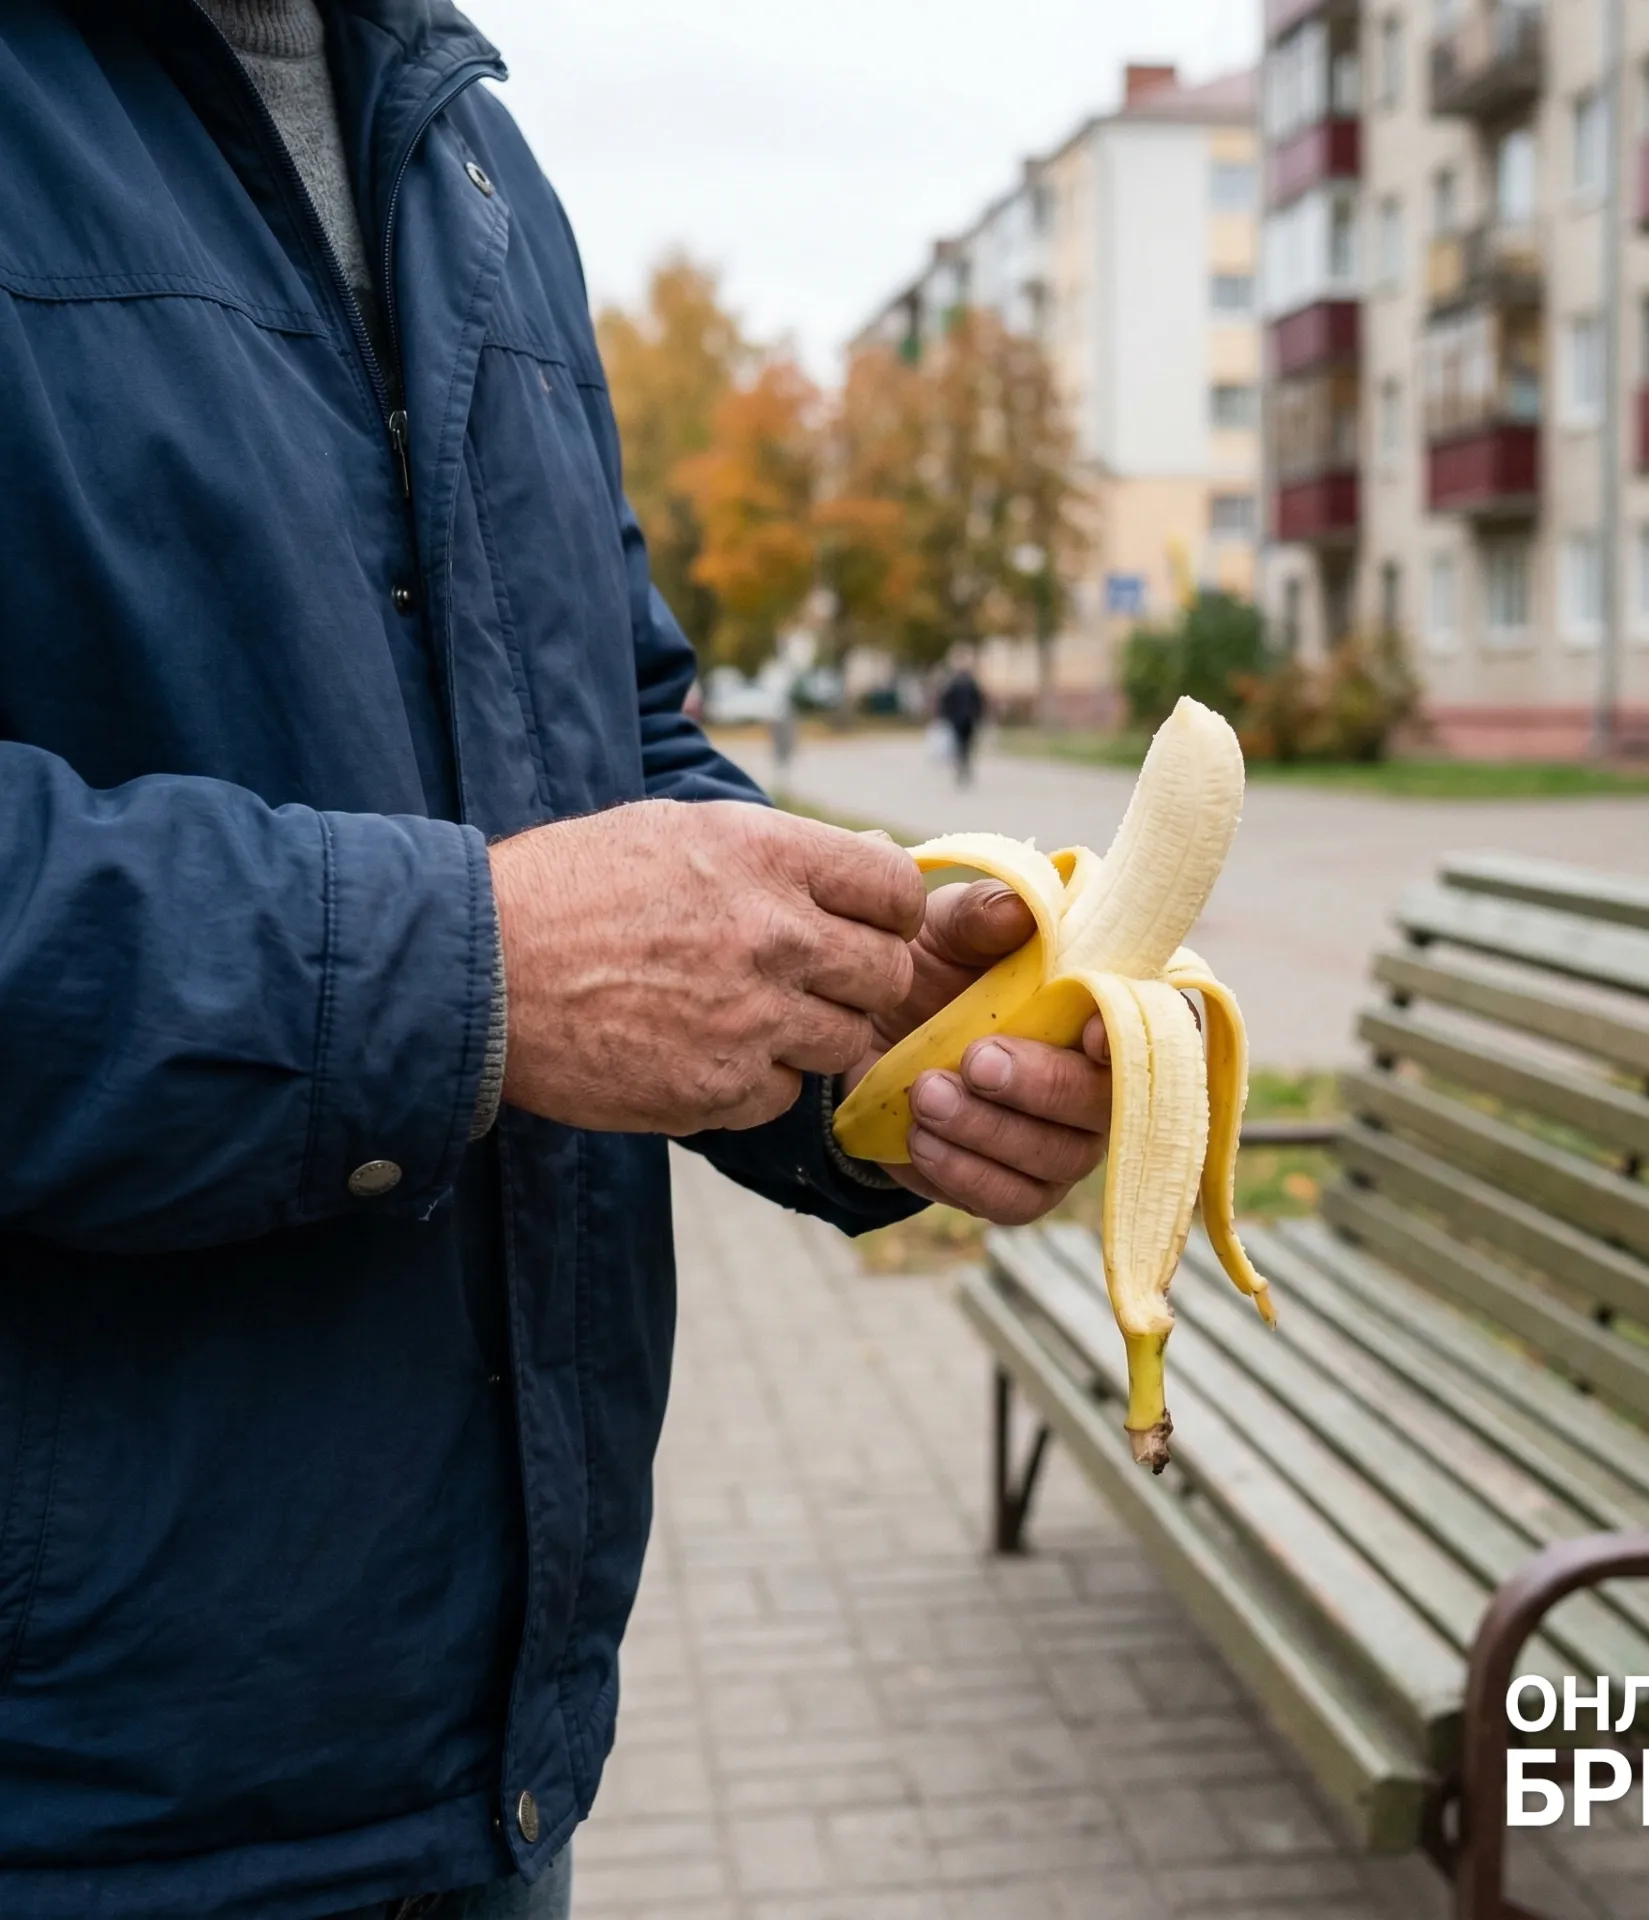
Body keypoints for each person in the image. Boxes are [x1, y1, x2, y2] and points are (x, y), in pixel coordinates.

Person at [0, 6, 1113, 1918]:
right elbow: (524, 927)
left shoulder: (465, 155)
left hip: (486, 1757)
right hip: (88, 1802)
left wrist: (880, 1022)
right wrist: (475, 968)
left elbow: (618, 727)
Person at [938, 648, 988, 787]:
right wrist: (946, 716)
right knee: (959, 745)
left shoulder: (971, 681)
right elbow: (946, 701)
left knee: (967, 745)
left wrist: (978, 715)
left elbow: (978, 700)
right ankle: (961, 767)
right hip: (957, 720)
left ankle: (965, 767)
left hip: (969, 719)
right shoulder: (953, 682)